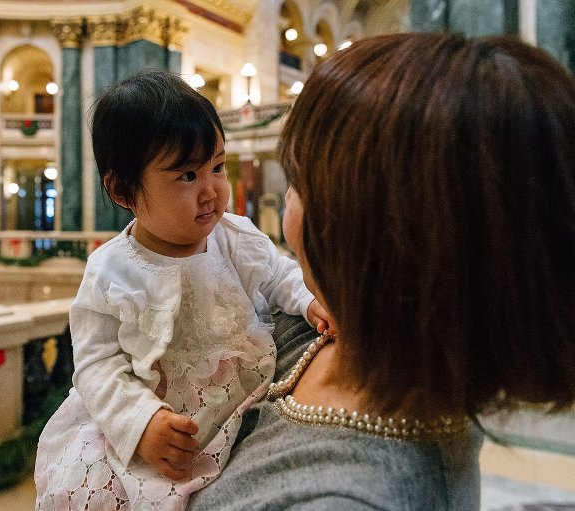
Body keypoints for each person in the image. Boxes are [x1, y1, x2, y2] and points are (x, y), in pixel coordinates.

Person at [190, 32, 575, 510]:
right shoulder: (339, 332)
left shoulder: (349, 498)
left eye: (299, 183)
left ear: (360, 226)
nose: (287, 202)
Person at [34, 69, 329, 510]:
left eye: (217, 167)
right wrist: (140, 422)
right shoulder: (110, 270)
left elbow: (277, 275)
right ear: (122, 190)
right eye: (187, 176)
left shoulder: (235, 237)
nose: (211, 190)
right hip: (154, 427)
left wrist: (308, 302)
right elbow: (96, 365)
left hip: (239, 404)